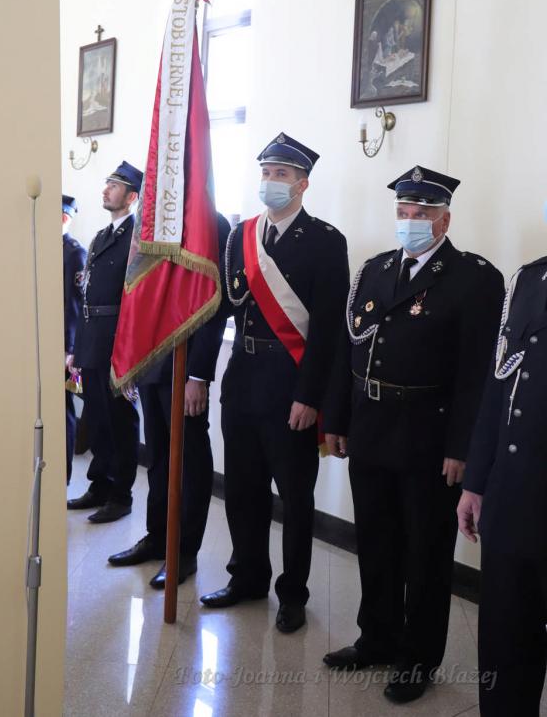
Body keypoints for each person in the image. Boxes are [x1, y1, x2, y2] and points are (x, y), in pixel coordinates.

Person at [323, 165, 503, 703]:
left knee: (425, 554)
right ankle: (376, 637)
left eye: (422, 213)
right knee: (375, 542)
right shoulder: (375, 269)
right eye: (403, 212)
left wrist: (462, 448)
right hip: (371, 427)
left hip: (430, 436)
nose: (410, 221)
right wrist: (338, 419)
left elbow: (477, 374)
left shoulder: (474, 278)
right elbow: (349, 348)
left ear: (445, 219)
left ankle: (417, 657)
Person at [200, 132, 350, 634]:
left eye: (281, 174)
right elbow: (223, 306)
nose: (270, 182)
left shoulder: (326, 241)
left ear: (302, 183)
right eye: (266, 173)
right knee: (243, 490)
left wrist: (310, 396)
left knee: (295, 497)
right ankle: (246, 577)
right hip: (242, 379)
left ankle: (293, 594)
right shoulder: (239, 236)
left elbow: (327, 330)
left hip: (290, 387)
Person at [107, 212, 231, 587]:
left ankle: (184, 550)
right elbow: (137, 293)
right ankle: (157, 537)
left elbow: (214, 305)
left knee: (188, 460)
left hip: (185, 362)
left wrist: (199, 374)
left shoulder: (209, 221)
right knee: (158, 457)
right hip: (152, 359)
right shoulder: (153, 219)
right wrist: (130, 359)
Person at [458, 252, 547, 716]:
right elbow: (499, 386)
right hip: (512, 492)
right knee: (506, 638)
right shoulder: (531, 278)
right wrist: (475, 482)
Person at [67, 161, 143, 523]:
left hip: (118, 342)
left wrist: (129, 351)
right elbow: (86, 296)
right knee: (96, 418)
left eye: (114, 185)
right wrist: (78, 349)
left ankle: (121, 495)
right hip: (93, 340)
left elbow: (136, 299)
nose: (105, 189)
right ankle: (99, 485)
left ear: (131, 197)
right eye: (107, 183)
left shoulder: (138, 238)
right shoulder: (100, 236)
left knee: (120, 421)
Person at [62, 194, 87, 484]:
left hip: (64, 347)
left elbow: (76, 307)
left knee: (63, 409)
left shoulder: (74, 253)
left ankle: (63, 476)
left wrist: (71, 349)